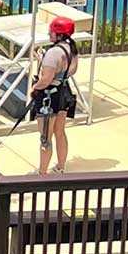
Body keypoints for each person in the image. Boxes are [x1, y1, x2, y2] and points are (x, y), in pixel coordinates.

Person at [31, 14, 80, 173]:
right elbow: (70, 71)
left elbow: (46, 79)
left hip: (48, 97)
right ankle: (60, 167)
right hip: (63, 92)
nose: (49, 34)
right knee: (60, 131)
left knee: (46, 137)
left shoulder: (53, 53)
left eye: (51, 31)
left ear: (59, 34)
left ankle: (42, 174)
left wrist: (35, 88)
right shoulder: (72, 50)